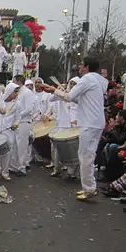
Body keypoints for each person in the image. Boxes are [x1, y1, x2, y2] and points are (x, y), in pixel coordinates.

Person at [41, 57, 109, 200]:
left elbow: (70, 96)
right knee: (88, 156)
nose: (79, 67)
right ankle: (89, 187)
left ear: (87, 67)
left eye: (81, 65)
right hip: (96, 122)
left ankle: (89, 189)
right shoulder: (98, 80)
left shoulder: (87, 79)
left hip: (89, 123)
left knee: (85, 156)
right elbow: (80, 100)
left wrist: (54, 90)